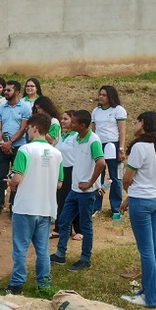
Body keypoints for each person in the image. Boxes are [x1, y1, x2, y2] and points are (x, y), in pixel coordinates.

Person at [5, 114, 64, 295]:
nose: (27, 131)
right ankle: (44, 284)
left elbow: (17, 178)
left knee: (20, 248)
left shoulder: (25, 150)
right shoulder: (57, 154)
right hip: (46, 208)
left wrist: (11, 183)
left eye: (29, 128)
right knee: (43, 249)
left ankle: (16, 285)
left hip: (25, 207)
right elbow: (59, 184)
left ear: (35, 128)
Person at [120, 112, 156, 307]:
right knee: (155, 248)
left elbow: (128, 178)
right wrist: (130, 197)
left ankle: (151, 297)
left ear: (144, 124)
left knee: (147, 250)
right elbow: (148, 177)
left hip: (143, 202)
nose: (134, 125)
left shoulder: (140, 147)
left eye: (136, 121)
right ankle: (154, 292)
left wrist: (129, 191)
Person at [50, 110, 105, 271]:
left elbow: (101, 163)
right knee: (64, 220)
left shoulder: (93, 140)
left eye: (73, 122)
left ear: (82, 125)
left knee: (85, 225)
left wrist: (90, 183)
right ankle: (60, 254)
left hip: (87, 192)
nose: (70, 124)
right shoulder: (76, 138)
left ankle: (85, 259)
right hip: (75, 189)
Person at [0, 80, 31, 219]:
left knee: (16, 177)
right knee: (0, 177)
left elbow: (23, 128)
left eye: (8, 90)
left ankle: (14, 206)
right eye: (5, 90)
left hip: (19, 147)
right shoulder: (1, 108)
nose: (5, 92)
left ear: (16, 92)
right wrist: (3, 143)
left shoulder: (25, 108)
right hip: (2, 147)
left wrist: (10, 142)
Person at [91, 85, 127, 215]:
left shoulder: (118, 110)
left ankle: (116, 207)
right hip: (99, 144)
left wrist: (121, 148)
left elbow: (122, 131)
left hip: (113, 145)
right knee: (97, 176)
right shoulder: (96, 111)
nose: (101, 97)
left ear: (110, 96)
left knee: (115, 176)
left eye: (104, 95)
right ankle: (96, 205)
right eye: (100, 94)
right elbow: (93, 130)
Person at [53, 110, 82, 240]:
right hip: (62, 169)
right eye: (62, 118)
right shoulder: (63, 136)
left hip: (73, 170)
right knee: (61, 199)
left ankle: (79, 229)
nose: (62, 121)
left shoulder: (77, 137)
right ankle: (60, 228)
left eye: (66, 119)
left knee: (74, 199)